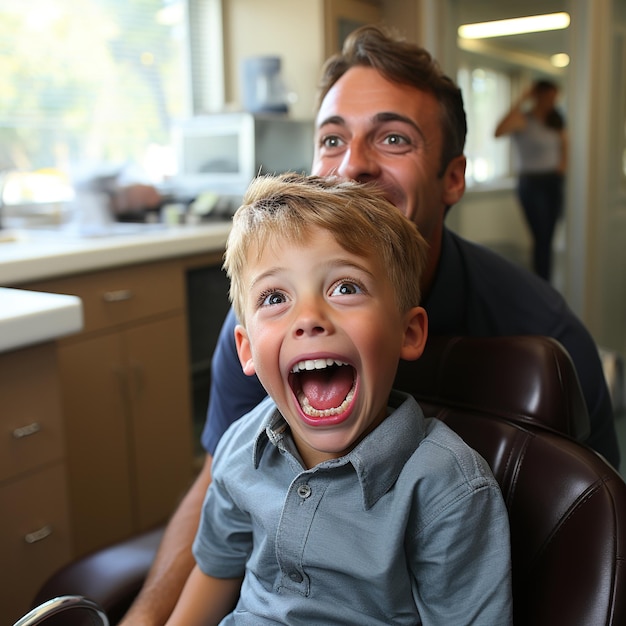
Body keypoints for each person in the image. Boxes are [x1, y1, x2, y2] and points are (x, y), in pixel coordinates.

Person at [119, 25, 619, 626]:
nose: (352, 166)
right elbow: (219, 500)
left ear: (453, 178)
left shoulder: (545, 337)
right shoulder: (260, 325)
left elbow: (587, 549)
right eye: (333, 139)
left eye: (392, 137)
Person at [164, 173, 513, 625]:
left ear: (408, 333)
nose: (309, 318)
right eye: (274, 297)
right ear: (246, 351)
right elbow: (214, 573)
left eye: (345, 288)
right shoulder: (239, 447)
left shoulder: (448, 487)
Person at [494, 79, 567, 281]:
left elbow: (565, 144)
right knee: (541, 236)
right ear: (537, 96)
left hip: (554, 182)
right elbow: (497, 131)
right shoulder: (523, 120)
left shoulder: (555, 120)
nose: (552, 101)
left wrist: (563, 166)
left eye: (555, 97)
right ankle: (542, 283)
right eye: (548, 97)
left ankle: (545, 281)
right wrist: (521, 99)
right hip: (532, 183)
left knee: (548, 237)